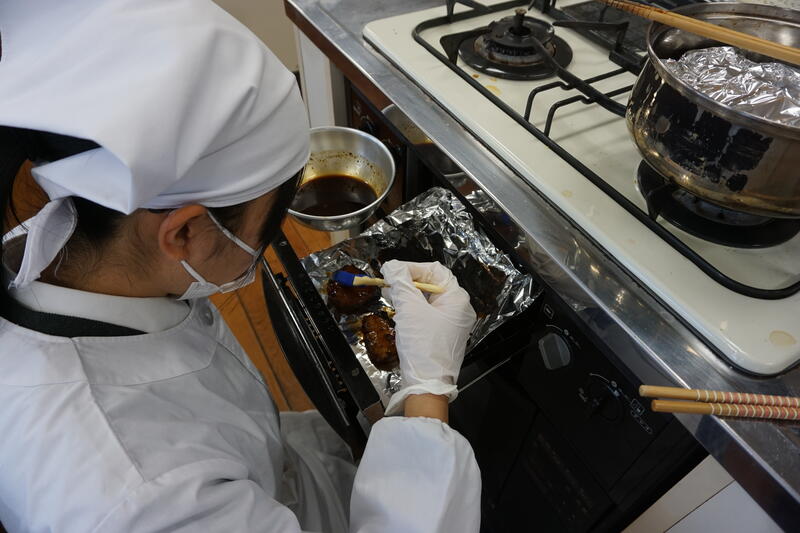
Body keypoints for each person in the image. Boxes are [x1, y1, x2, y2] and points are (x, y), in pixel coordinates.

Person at [0, 1, 482, 532]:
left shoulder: (102, 273)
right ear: (183, 232)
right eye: (268, 227)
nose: (263, 246)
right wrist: (427, 389)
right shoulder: (140, 502)